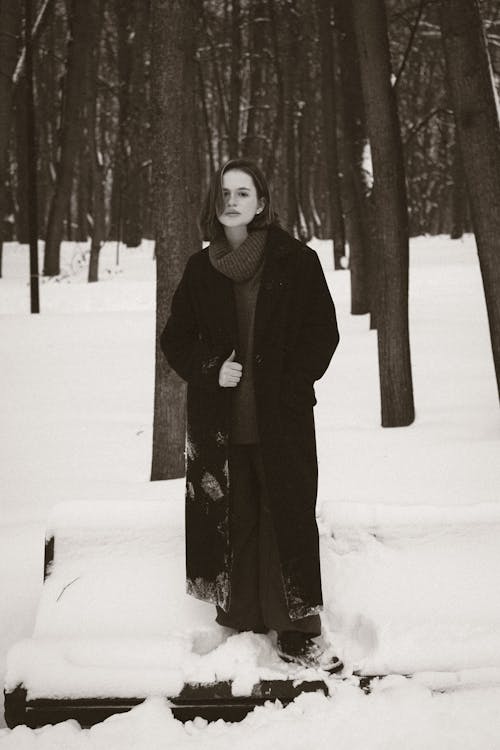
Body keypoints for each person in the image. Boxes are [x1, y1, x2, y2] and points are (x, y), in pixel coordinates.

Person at [161, 158, 341, 671]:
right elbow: (176, 339)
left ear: (261, 203)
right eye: (224, 192)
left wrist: (288, 382)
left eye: (243, 192)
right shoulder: (200, 269)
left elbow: (321, 333)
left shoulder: (296, 261)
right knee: (230, 519)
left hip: (281, 420)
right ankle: (238, 617)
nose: (232, 201)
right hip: (220, 424)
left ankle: (297, 626)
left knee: (284, 516)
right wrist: (211, 369)